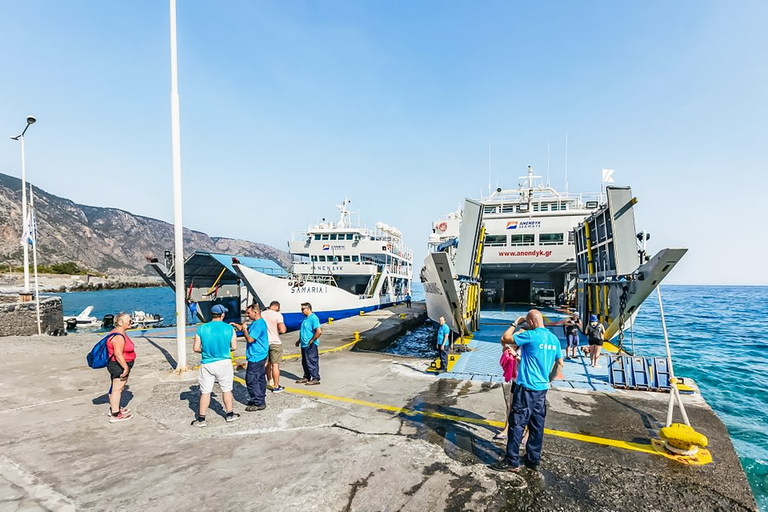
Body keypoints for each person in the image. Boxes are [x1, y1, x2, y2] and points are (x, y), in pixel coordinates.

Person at [490, 309, 564, 473]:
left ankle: (512, 461)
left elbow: (504, 339)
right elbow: (560, 364)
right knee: (537, 426)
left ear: (530, 322)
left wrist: (515, 322)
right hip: (542, 390)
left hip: (526, 389)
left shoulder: (532, 335)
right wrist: (548, 379)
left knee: (516, 424)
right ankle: (533, 460)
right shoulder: (554, 339)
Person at [191, 304, 239, 427]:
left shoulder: (202, 328)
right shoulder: (229, 328)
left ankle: (201, 419)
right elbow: (234, 347)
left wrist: (206, 350)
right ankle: (229, 414)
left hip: (207, 363)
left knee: (205, 391)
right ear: (222, 314)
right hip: (224, 362)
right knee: (227, 389)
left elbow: (196, 348)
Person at [231, 304, 269, 411]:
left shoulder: (258, 324)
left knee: (251, 379)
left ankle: (258, 402)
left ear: (255, 312)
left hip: (256, 356)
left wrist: (245, 330)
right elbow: (247, 330)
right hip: (260, 354)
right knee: (260, 377)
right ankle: (260, 397)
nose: (247, 315)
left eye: (249, 313)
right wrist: (238, 326)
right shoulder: (258, 323)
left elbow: (250, 339)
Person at [106, 312, 135, 423]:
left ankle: (115, 408)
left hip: (118, 365)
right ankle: (115, 414)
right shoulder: (118, 336)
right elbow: (118, 354)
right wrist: (125, 368)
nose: (130, 321)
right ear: (120, 322)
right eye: (128, 320)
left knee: (117, 388)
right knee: (117, 389)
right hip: (118, 365)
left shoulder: (119, 333)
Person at [262, 301, 287, 393]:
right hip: (275, 342)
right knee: (275, 365)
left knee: (267, 363)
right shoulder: (278, 315)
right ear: (277, 307)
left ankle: (269, 381)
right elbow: (282, 330)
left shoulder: (262, 314)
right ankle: (276, 386)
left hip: (264, 343)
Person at [295, 302, 322, 385]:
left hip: (310, 344)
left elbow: (319, 331)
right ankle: (306, 376)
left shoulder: (313, 318)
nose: (302, 311)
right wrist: (299, 340)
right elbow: (305, 331)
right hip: (304, 344)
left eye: (303, 309)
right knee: (305, 361)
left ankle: (315, 377)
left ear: (308, 308)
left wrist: (312, 340)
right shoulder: (306, 319)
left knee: (312, 360)